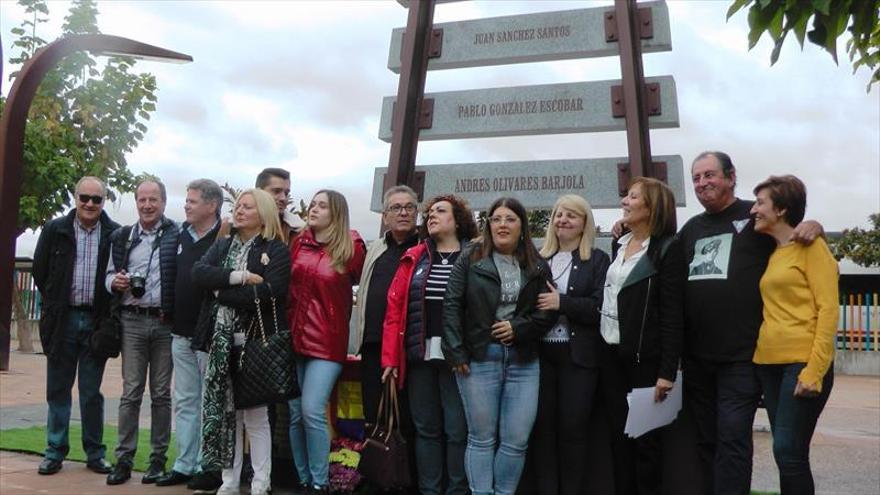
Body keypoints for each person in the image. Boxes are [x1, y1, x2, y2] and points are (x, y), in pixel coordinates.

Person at [677, 151, 823, 495]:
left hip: (742, 358)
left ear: (730, 176)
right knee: (705, 440)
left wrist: (813, 226)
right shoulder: (691, 229)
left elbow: (794, 240)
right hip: (698, 358)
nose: (702, 183)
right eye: (696, 178)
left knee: (732, 440)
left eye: (710, 175)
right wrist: (624, 230)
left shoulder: (755, 215)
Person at [442, 197, 556, 495]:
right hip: (479, 358)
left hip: (523, 362)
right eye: (496, 219)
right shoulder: (471, 257)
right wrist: (455, 351)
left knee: (516, 440)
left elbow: (546, 311)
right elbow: (452, 304)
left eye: (510, 219)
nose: (502, 224)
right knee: (481, 438)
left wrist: (517, 328)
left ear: (522, 227)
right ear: (488, 224)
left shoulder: (537, 264)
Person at [192, 188, 290, 495]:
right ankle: (229, 482)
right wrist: (240, 277)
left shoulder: (276, 250)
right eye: (239, 206)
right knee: (227, 415)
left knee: (256, 417)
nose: (240, 211)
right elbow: (199, 274)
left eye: (248, 207)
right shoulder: (222, 245)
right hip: (219, 343)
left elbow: (271, 291)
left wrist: (222, 292)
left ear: (263, 213)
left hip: (253, 343)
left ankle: (261, 483)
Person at [380, 194, 478, 495]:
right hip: (419, 356)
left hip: (458, 359)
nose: (431, 215)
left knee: (457, 430)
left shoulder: (475, 257)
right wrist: (390, 360)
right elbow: (394, 310)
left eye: (440, 211)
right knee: (426, 430)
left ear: (457, 219)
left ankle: (458, 491)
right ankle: (430, 490)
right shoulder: (415, 256)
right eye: (430, 212)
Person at [750, 175, 838, 495]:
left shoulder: (811, 248)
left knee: (788, 452)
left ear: (782, 209)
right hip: (768, 364)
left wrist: (814, 371)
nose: (754, 210)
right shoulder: (773, 251)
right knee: (786, 453)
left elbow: (828, 310)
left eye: (761, 203)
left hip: (800, 365)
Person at [518, 195, 610, 495]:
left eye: (572, 215)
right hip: (539, 358)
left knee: (573, 431)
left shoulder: (596, 260)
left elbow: (600, 308)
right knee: (542, 431)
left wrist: (562, 303)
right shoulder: (536, 260)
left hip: (579, 359)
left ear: (585, 223)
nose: (563, 220)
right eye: (559, 214)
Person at [600, 177, 685, 495]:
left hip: (646, 362)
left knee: (646, 445)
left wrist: (666, 371)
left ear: (651, 208)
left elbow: (673, 313)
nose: (625, 200)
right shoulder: (619, 243)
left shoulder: (667, 249)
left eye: (633, 197)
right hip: (611, 355)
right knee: (618, 440)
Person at [32, 177, 119, 476]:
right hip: (63, 321)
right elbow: (40, 271)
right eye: (85, 197)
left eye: (97, 199)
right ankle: (54, 452)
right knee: (57, 389)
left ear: (103, 201)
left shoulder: (114, 233)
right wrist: (56, 305)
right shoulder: (55, 229)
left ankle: (95, 454)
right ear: (75, 197)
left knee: (91, 392)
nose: (90, 204)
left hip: (96, 322)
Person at [287, 189, 366, 494]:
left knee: (312, 410)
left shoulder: (351, 246)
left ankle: (321, 483)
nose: (314, 209)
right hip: (294, 340)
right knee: (294, 414)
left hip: (327, 342)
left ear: (337, 213)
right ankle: (304, 478)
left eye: (322, 206)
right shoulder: (300, 243)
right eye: (314, 204)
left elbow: (367, 283)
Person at [105, 179, 179, 485]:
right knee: (131, 393)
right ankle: (123, 460)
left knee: (161, 395)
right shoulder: (123, 237)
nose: (147, 205)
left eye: (153, 199)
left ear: (163, 201)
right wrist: (115, 283)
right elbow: (108, 275)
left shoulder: (177, 234)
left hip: (165, 323)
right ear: (136, 202)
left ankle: (157, 461)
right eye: (141, 199)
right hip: (131, 321)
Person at [155, 179, 224, 488]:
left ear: (211, 206)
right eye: (187, 200)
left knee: (211, 403)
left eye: (193, 201)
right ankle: (184, 464)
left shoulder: (226, 237)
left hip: (208, 334)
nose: (186, 205)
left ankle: (207, 467)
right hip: (179, 331)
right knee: (184, 400)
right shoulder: (179, 234)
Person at [354, 185, 420, 426]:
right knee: (373, 415)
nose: (403, 212)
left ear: (416, 212)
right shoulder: (375, 249)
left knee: (408, 418)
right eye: (396, 207)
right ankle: (379, 464)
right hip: (373, 345)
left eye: (409, 207)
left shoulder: (425, 249)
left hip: (409, 349)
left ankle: (406, 465)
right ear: (385, 216)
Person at [256, 167, 305, 240]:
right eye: (276, 191)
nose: (283, 198)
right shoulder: (235, 226)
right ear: (258, 192)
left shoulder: (299, 231)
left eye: (286, 193)